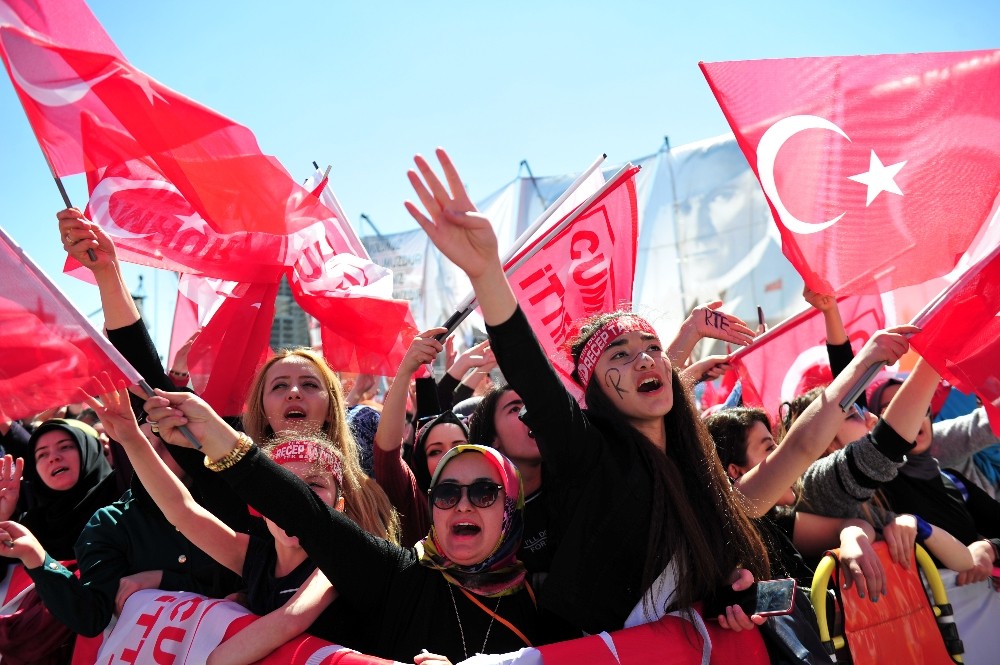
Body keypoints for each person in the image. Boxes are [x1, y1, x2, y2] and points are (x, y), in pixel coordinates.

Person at [403, 149, 771, 659]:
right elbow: (531, 373)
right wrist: (487, 272)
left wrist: (734, 591)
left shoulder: (696, 469)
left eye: (653, 350)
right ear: (594, 388)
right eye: (620, 355)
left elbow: (717, 575)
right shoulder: (589, 454)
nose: (645, 362)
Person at [57, 208, 399, 544]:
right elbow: (150, 382)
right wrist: (109, 272)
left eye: (310, 384)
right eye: (278, 385)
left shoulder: (369, 491)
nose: (294, 392)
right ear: (260, 407)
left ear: (333, 405)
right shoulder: (226, 464)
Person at [143, 386, 540, 664]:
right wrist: (217, 439)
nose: (463, 505)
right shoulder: (397, 575)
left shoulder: (543, 597)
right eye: (447, 494)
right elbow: (306, 515)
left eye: (485, 492)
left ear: (511, 506)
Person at [79, 378, 361, 663]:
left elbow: (289, 621)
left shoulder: (339, 563)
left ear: (340, 504)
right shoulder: (253, 556)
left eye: (314, 485)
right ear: (261, 506)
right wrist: (130, 438)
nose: (299, 501)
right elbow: (181, 510)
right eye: (287, 488)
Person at [0, 418, 241, 638]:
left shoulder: (234, 497)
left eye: (167, 441)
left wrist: (164, 580)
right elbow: (91, 615)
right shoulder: (110, 522)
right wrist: (35, 557)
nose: (153, 454)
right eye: (141, 444)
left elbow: (260, 579)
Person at [0, 419, 123, 663]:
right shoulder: (30, 525)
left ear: (89, 450)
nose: (53, 458)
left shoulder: (121, 505)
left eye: (65, 447)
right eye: (42, 454)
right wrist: (2, 518)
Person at [374, 327, 470, 545]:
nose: (448, 455)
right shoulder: (414, 502)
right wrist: (406, 370)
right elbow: (387, 455)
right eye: (435, 450)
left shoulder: (494, 491)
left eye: (458, 445)